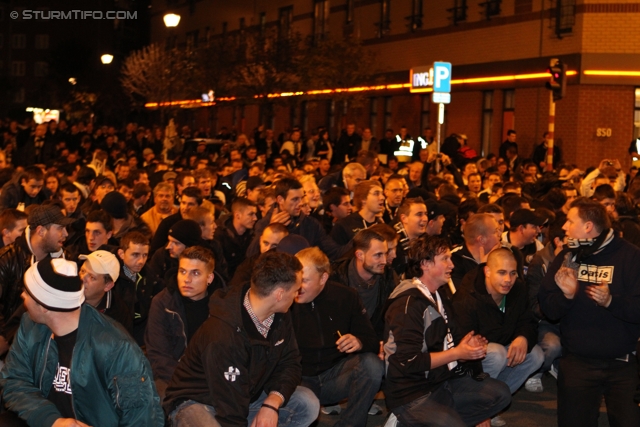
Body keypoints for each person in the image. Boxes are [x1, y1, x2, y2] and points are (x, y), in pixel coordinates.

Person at [0, 257, 164, 426]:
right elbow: (14, 381)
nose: (22, 295)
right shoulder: (31, 325)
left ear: (44, 306)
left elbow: (143, 418)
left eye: (28, 292)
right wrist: (53, 421)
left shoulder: (116, 347)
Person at [164, 251, 320, 427]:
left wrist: (272, 403)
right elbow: (230, 409)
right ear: (279, 294)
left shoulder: (280, 314)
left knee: (307, 403)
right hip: (198, 402)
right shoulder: (222, 334)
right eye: (295, 290)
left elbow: (290, 362)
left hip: (244, 396)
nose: (297, 295)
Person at [383, 235, 511, 427]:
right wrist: (456, 353)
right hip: (410, 394)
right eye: (445, 259)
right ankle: (402, 420)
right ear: (425, 264)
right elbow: (408, 362)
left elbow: (454, 340)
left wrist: (467, 349)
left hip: (441, 382)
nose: (452, 265)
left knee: (500, 394)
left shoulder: (439, 295)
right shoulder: (408, 304)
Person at [540, 198, 640, 427]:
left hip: (623, 363)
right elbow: (548, 307)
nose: (564, 227)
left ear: (588, 227)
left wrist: (611, 302)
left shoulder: (631, 257)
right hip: (578, 361)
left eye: (569, 220)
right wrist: (567, 296)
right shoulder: (569, 257)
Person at [292, 247, 383, 427]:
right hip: (298, 378)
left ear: (323, 278)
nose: (298, 286)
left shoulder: (346, 297)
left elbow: (372, 341)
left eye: (305, 280)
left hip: (335, 375)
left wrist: (358, 342)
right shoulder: (285, 298)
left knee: (372, 365)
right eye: (295, 279)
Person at [454, 248, 544, 424]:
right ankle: (475, 407)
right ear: (487, 271)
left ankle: (492, 404)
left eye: (512, 273)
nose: (508, 280)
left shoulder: (518, 288)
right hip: (471, 362)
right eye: (501, 273)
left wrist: (522, 337)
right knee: (496, 354)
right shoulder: (467, 297)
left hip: (503, 345)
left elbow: (528, 321)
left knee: (536, 356)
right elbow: (464, 346)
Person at [145, 246, 220, 399]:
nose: (187, 279)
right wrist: (190, 383)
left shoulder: (222, 306)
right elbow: (159, 355)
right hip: (171, 378)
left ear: (209, 278)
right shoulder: (163, 303)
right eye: (183, 271)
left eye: (196, 273)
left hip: (212, 380)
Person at [0, 204, 74, 347]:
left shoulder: (65, 261)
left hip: (46, 344)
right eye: (59, 228)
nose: (66, 234)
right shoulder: (6, 259)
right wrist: (7, 337)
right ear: (41, 231)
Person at [249, 177, 349, 260]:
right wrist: (270, 230)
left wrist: (359, 240)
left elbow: (334, 252)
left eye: (301, 198)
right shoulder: (264, 224)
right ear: (280, 200)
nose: (300, 203)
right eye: (295, 199)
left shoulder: (311, 224)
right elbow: (250, 257)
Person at [330, 228, 397, 340]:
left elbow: (393, 319)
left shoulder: (389, 277)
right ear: (359, 255)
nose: (384, 261)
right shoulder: (335, 277)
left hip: (375, 343)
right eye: (378, 255)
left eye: (385, 254)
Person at [79, 250, 133, 334]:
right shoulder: (64, 294)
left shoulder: (119, 315)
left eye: (92, 277)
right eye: (82, 271)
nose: (82, 278)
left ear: (108, 286)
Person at [116, 231, 152, 346]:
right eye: (135, 255)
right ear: (121, 254)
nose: (141, 261)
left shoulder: (149, 275)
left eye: (145, 255)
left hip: (139, 338)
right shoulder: (113, 278)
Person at [450, 213, 502, 288]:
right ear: (481, 240)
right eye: (495, 231)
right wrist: (482, 269)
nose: (500, 234)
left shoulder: (502, 255)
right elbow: (462, 295)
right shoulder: (454, 260)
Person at [229, 223, 289, 288]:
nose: (268, 249)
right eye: (266, 243)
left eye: (274, 246)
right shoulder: (247, 267)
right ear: (260, 240)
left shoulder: (289, 266)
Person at [214, 197, 258, 278]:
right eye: (251, 214)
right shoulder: (220, 234)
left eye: (255, 214)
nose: (255, 218)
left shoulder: (253, 234)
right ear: (238, 215)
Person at [330, 180, 384, 245]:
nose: (382, 197)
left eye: (382, 194)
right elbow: (336, 253)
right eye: (376, 194)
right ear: (363, 199)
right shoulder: (343, 225)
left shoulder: (381, 224)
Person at [392, 198, 428, 276]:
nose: (425, 219)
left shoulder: (427, 242)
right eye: (419, 214)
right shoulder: (393, 244)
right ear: (404, 218)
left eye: (426, 214)